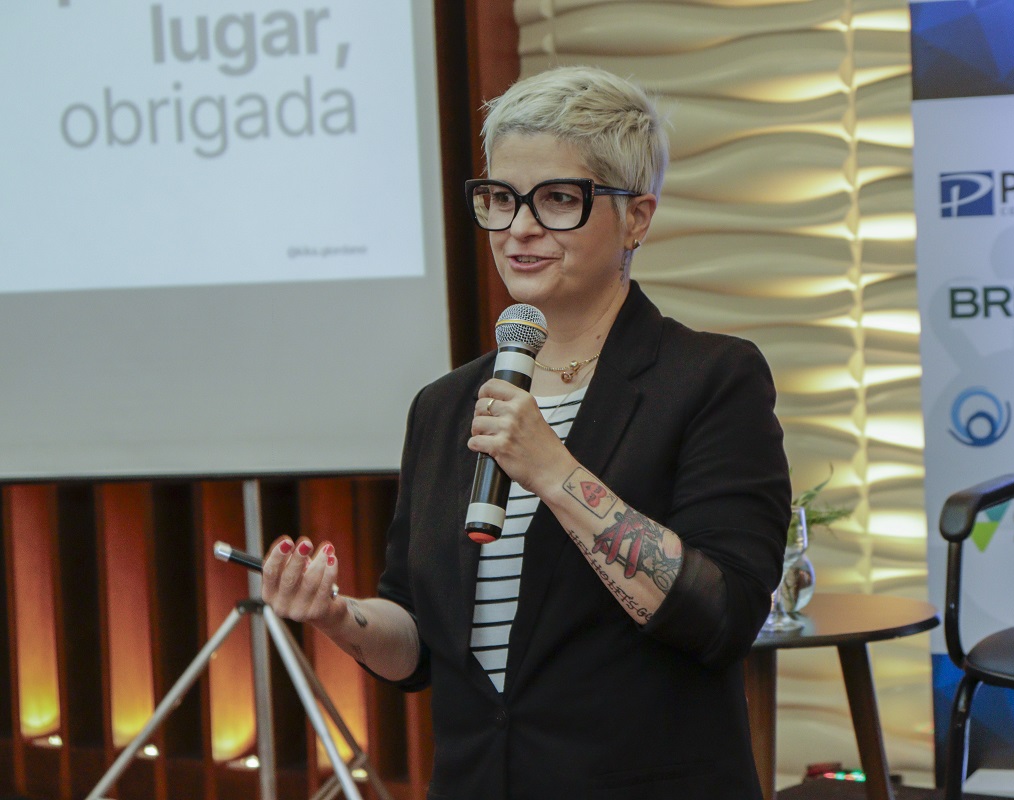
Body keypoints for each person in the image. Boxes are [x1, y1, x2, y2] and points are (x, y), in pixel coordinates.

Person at [262, 65, 791, 800]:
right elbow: (420, 644)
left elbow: (721, 616)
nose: (519, 227)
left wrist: (551, 468)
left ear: (636, 218)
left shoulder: (710, 379)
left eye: (558, 199)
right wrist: (338, 617)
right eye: (501, 198)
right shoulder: (446, 405)